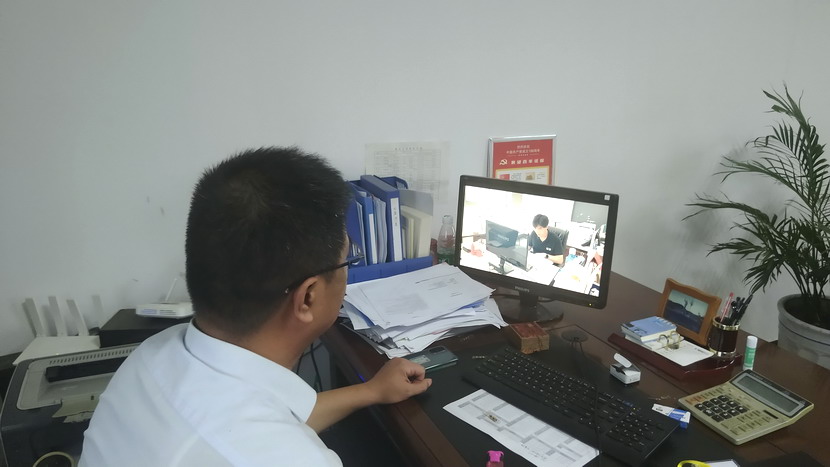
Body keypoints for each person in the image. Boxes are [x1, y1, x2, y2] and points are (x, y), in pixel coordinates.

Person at [80, 147, 432, 466]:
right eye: (347, 261)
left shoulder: (153, 356)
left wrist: (371, 391)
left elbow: (255, 422)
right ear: (307, 297)